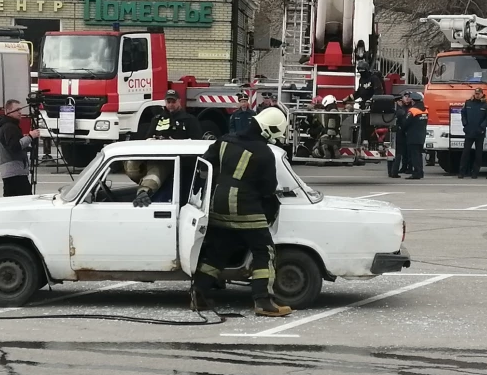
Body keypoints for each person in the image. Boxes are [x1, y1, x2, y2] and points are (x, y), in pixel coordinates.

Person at [191, 108, 293, 317]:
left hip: (218, 203)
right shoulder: (264, 152)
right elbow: (267, 188)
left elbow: (204, 165)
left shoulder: (225, 140)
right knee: (264, 250)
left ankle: (198, 295)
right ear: (268, 130)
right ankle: (263, 301)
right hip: (245, 206)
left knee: (218, 250)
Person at [129, 89, 204, 207]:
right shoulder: (157, 119)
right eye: (168, 102)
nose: (170, 105)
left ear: (179, 101)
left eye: (173, 102)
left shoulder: (190, 120)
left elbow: (197, 143)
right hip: (160, 162)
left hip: (184, 167)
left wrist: (176, 143)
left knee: (184, 200)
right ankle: (145, 193)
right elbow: (147, 139)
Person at [0, 99, 41, 197]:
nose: (20, 112)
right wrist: (30, 137)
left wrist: (26, 140)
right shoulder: (9, 127)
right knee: (23, 200)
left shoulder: (8, 126)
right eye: (17, 110)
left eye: (20, 109)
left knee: (11, 200)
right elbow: (15, 146)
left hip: (12, 172)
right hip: (15, 173)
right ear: (9, 111)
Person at [343, 60, 384, 142]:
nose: (361, 73)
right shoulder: (361, 79)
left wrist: (371, 101)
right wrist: (349, 98)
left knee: (370, 126)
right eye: (360, 71)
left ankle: (372, 142)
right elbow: (359, 92)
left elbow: (378, 92)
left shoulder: (374, 78)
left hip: (373, 108)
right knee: (361, 124)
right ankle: (363, 141)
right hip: (363, 106)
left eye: (363, 71)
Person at [459, 88, 487, 179]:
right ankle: (462, 172)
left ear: (482, 94)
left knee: (478, 154)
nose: (477, 95)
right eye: (476, 93)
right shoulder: (468, 103)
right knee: (465, 152)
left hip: (479, 133)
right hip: (469, 131)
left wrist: (482, 127)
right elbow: (463, 114)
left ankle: (475, 172)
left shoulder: (486, 105)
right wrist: (465, 125)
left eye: (479, 94)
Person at [401, 92, 428, 180]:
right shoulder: (425, 110)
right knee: (419, 155)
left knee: (414, 155)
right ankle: (420, 172)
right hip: (422, 135)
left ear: (413, 101)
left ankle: (416, 173)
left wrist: (402, 129)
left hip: (413, 136)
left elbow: (406, 123)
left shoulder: (413, 110)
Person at [312, 95, 342, 159]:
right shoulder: (341, 113)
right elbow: (349, 109)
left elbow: (312, 111)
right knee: (333, 153)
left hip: (324, 138)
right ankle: (335, 148)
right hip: (337, 138)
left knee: (315, 151)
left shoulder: (321, 113)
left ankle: (323, 148)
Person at [389, 91, 411, 178]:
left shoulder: (390, 110)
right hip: (399, 134)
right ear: (398, 101)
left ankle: (390, 171)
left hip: (390, 134)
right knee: (398, 154)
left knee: (390, 153)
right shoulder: (401, 111)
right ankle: (394, 172)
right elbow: (404, 123)